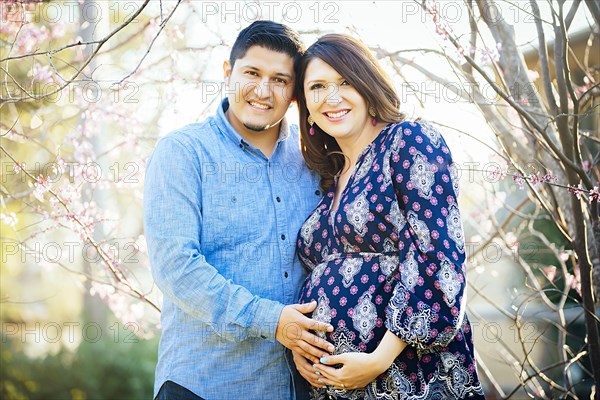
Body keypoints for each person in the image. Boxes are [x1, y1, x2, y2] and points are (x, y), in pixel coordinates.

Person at [144, 21, 336, 400]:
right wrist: (271, 320)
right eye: (252, 73)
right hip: (202, 385)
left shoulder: (313, 160)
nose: (263, 90)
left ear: (294, 93)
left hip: (295, 387)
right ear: (228, 72)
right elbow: (175, 267)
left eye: (280, 80)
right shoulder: (184, 153)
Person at [291, 34, 485, 399]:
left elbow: (438, 258)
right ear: (305, 105)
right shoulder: (329, 177)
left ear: (367, 84)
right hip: (332, 388)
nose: (332, 97)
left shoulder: (408, 141)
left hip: (407, 375)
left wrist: (379, 359)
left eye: (345, 81)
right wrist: (301, 349)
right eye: (317, 86)